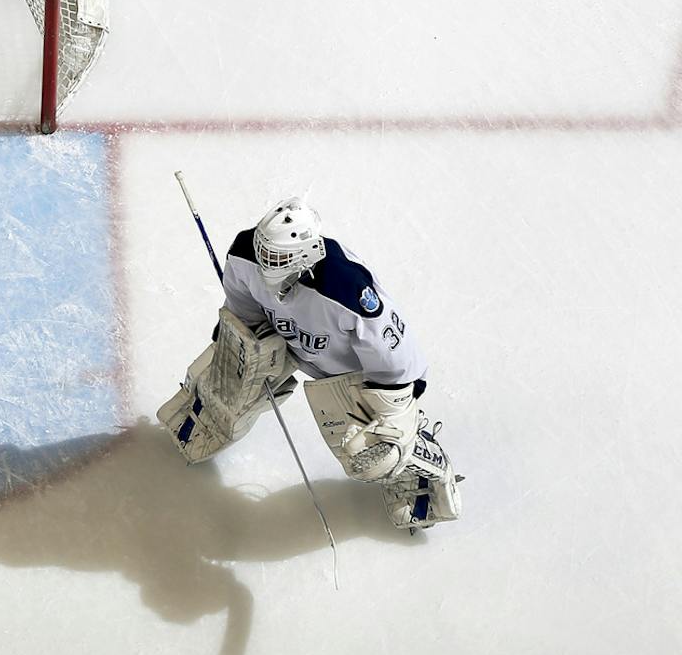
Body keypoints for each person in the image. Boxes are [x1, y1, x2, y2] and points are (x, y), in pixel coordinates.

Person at [158, 198, 462, 532]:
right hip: (289, 344)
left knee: (370, 452)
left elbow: (395, 355)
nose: (265, 264)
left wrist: (393, 408)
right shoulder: (246, 253)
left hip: (354, 374)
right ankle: (209, 422)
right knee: (228, 375)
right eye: (264, 252)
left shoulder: (346, 290)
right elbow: (243, 307)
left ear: (306, 254)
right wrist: (238, 348)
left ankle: (418, 459)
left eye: (276, 258)